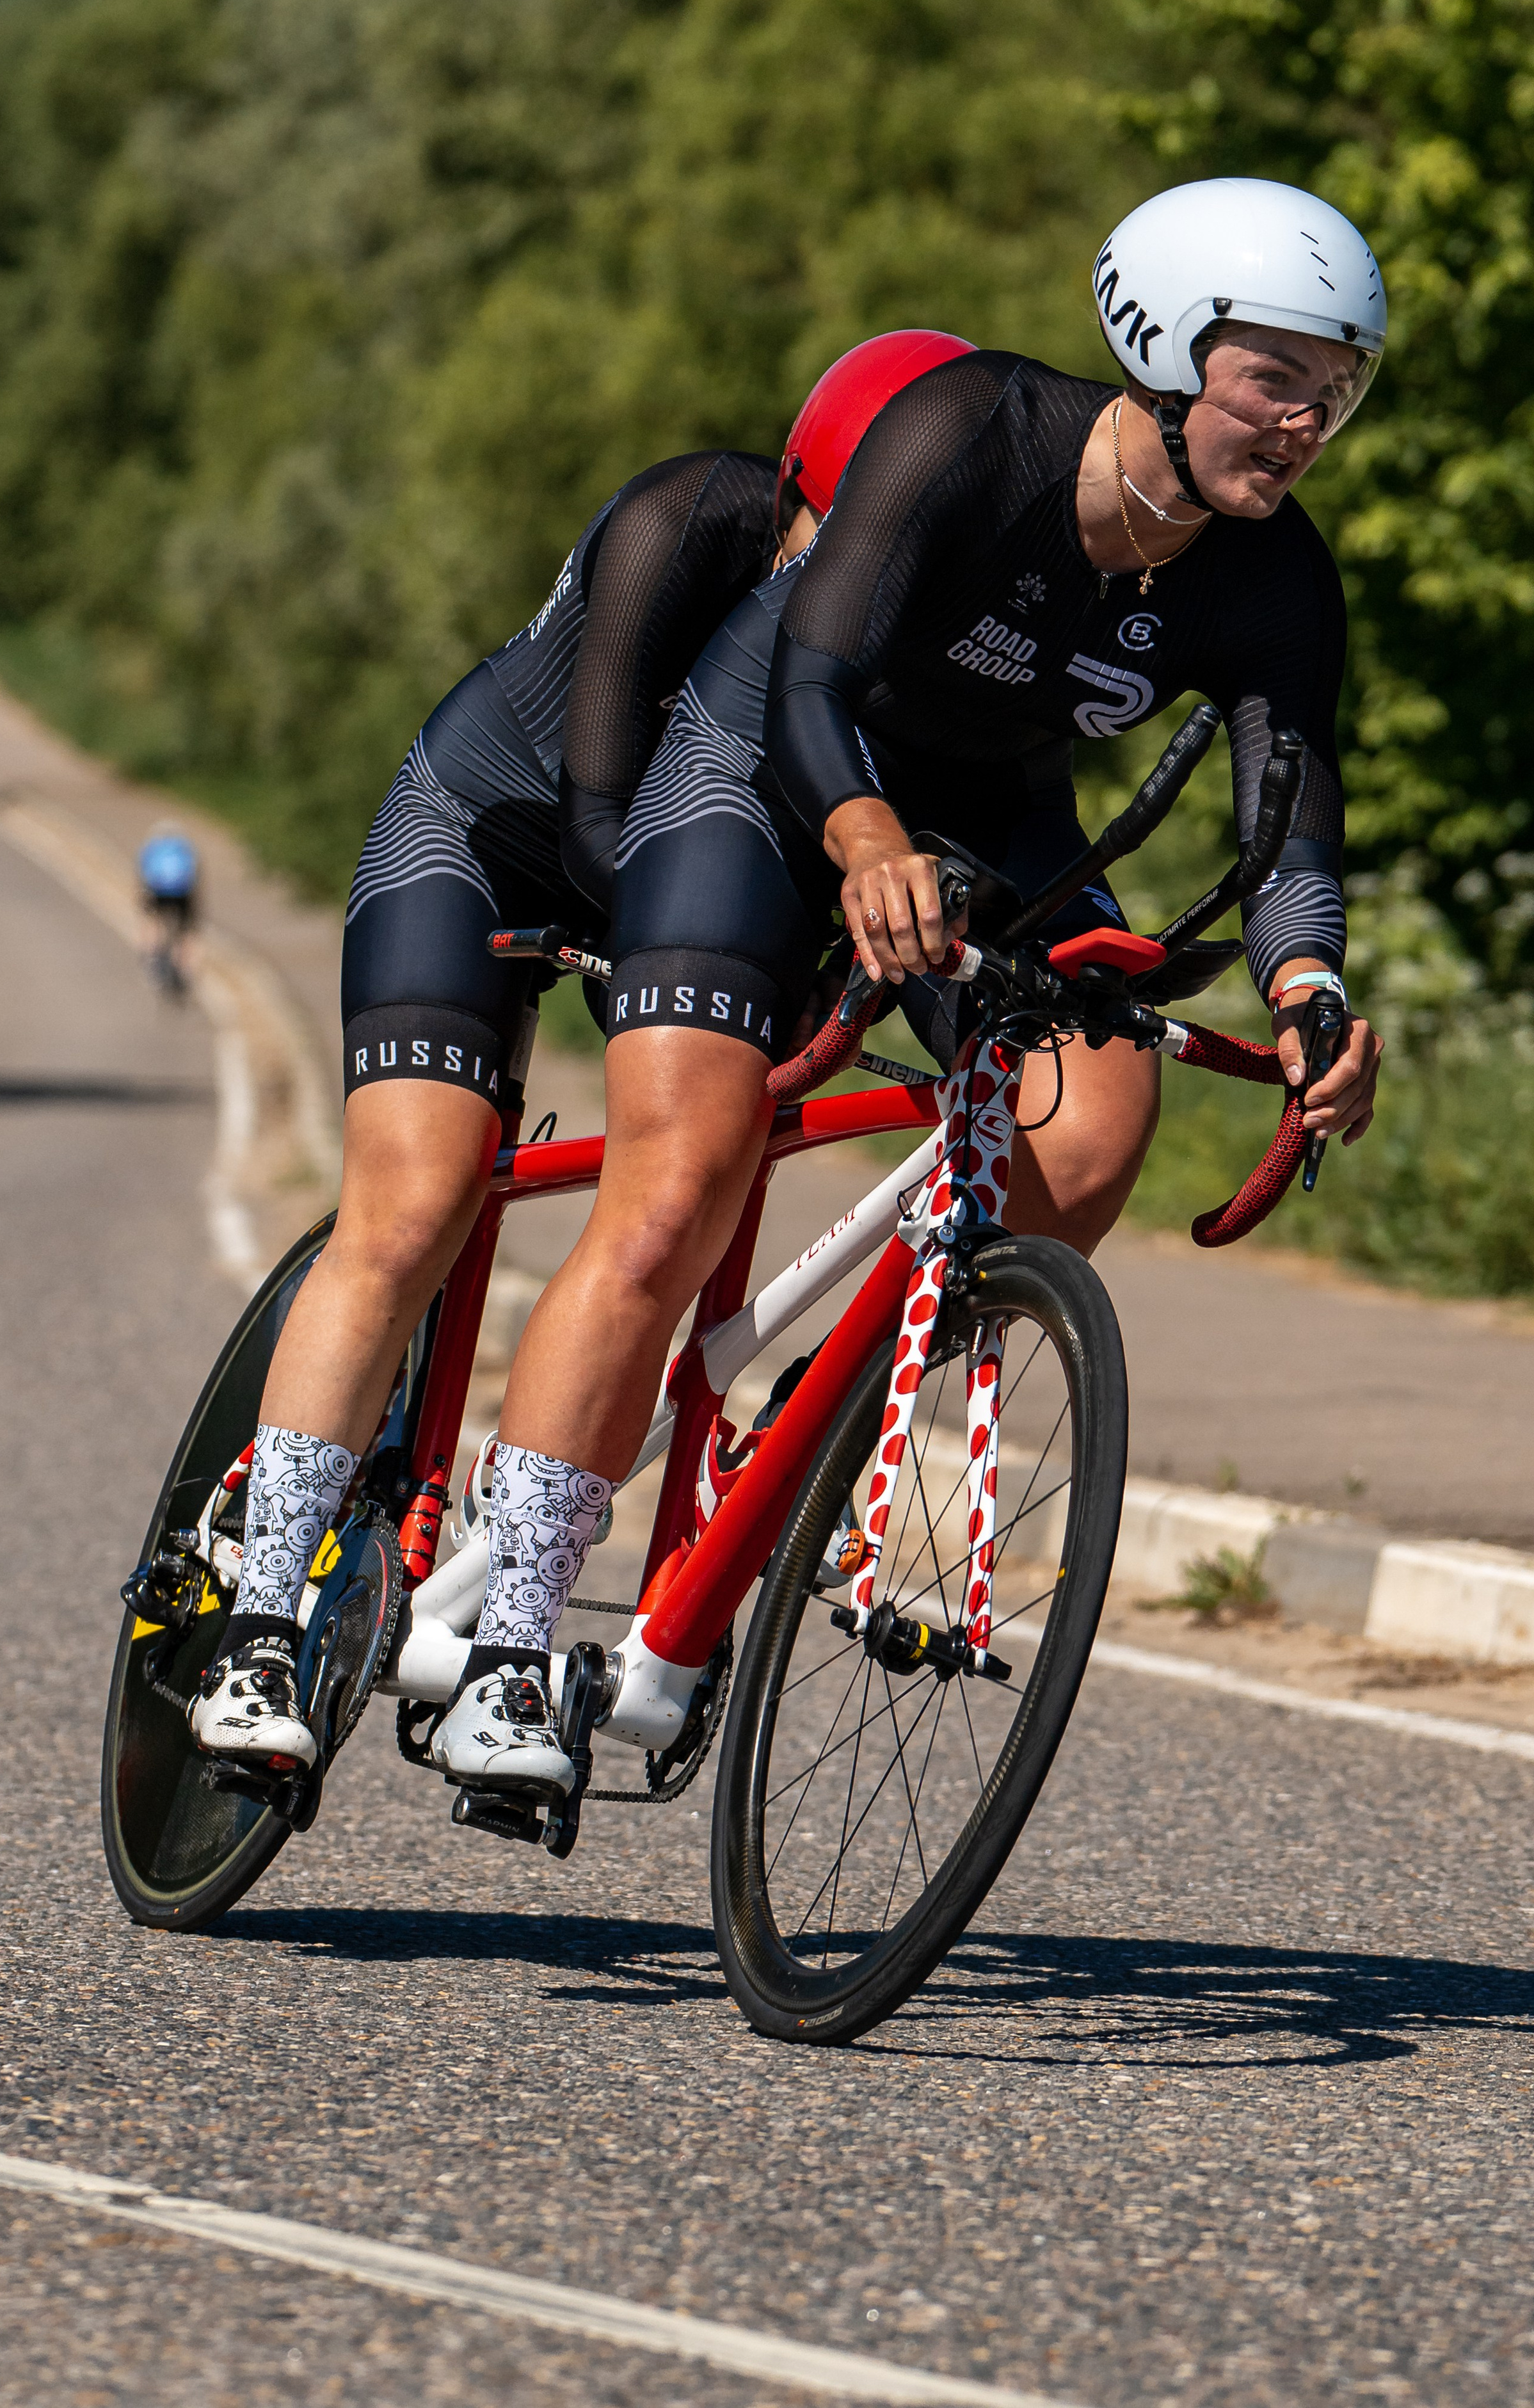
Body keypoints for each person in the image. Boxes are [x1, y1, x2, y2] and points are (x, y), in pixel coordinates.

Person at [422, 179, 1390, 1797]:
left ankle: (798, 1443)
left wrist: (1309, 987)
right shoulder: (975, 424)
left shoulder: (1271, 575)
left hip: (981, 816)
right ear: (1161, 341)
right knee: (677, 1182)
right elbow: (809, 671)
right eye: (1273, 376)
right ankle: (512, 1630)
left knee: (1090, 1123)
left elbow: (1284, 808)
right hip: (769, 762)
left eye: (1333, 389)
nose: (1302, 422)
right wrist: (860, 837)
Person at [186, 333, 976, 1788]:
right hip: (495, 841)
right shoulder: (691, 520)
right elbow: (608, 814)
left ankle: (523, 1590)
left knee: (672, 1202)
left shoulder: (910, 629)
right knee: (415, 1207)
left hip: (676, 893)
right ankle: (253, 1619)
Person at [136, 823, 200, 995]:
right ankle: (187, 968)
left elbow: (143, 876)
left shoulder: (152, 847)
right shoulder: (185, 848)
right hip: (182, 894)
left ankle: (153, 956)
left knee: (153, 921)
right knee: (187, 931)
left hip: (158, 892)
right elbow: (194, 877)